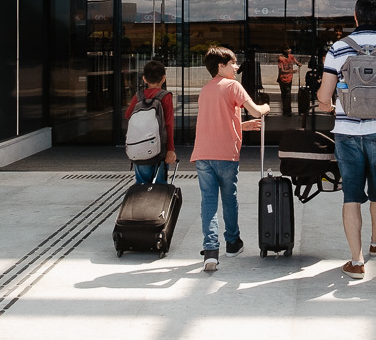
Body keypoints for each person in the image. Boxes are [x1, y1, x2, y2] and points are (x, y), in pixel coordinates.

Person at [317, 0, 376, 281]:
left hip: (346, 133)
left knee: (351, 195)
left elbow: (323, 95)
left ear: (355, 17)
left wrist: (330, 105)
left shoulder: (338, 48)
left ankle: (356, 261)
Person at [191, 46, 270, 272]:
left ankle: (211, 252)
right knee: (228, 199)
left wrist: (242, 126)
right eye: (232, 63)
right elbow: (256, 111)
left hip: (203, 155)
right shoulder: (233, 86)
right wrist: (265, 106)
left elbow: (216, 122)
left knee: (208, 202)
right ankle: (233, 243)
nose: (236, 67)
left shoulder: (205, 90)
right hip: (225, 154)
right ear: (220, 66)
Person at [123, 59, 177, 184]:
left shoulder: (139, 96)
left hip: (140, 149)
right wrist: (171, 149)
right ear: (163, 78)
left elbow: (127, 115)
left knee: (141, 185)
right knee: (159, 188)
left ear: (144, 79)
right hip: (159, 150)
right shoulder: (165, 96)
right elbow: (168, 124)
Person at [276, 47, 302, 117]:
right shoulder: (281, 59)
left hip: (289, 78)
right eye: (288, 49)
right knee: (285, 95)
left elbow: (296, 61)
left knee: (288, 94)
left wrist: (298, 63)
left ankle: (287, 110)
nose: (290, 50)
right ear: (284, 50)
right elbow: (281, 71)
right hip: (283, 79)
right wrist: (292, 71)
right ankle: (286, 110)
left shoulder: (291, 57)